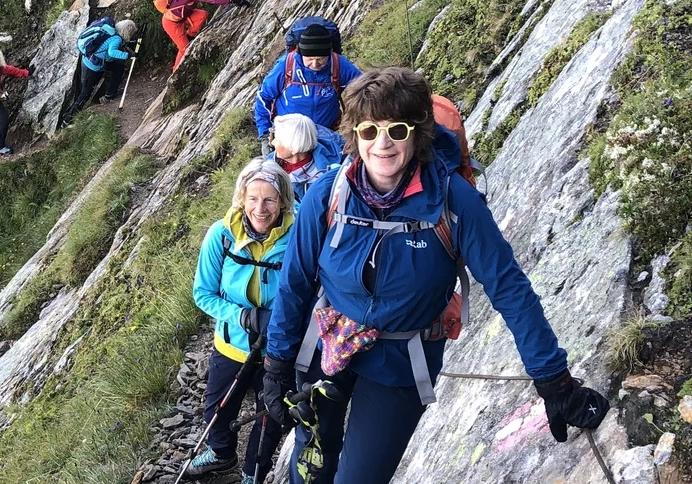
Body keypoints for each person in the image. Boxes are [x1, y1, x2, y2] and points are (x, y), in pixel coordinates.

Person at [260, 68, 609, 484]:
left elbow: (508, 287)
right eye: (369, 131)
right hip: (327, 345)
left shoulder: (454, 201)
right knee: (310, 466)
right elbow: (295, 282)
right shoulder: (328, 194)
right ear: (354, 135)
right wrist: (277, 363)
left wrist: (554, 379)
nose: (382, 143)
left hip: (400, 361)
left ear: (418, 132)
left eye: (398, 129)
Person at [186, 159, 294, 483]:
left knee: (268, 416)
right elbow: (202, 293)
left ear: (283, 200)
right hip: (232, 343)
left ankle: (253, 474)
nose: (260, 208)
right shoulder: (219, 237)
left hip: (276, 348)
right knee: (218, 407)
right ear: (241, 198)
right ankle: (221, 453)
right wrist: (244, 316)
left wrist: (283, 318)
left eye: (270, 199)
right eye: (253, 198)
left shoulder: (299, 236)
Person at [254, 24, 361, 135]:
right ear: (300, 53)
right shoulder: (286, 66)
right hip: (288, 136)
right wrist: (264, 133)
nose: (315, 64)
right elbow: (263, 97)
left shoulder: (338, 64)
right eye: (310, 59)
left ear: (329, 54)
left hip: (325, 135)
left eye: (321, 59)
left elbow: (364, 88)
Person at [161, 0, 250, 70]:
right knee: (184, 48)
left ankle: (190, 36)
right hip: (171, 23)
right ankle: (175, 70)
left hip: (183, 16)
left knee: (202, 15)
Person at [61, 18, 138, 126]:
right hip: (92, 68)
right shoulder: (116, 39)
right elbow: (112, 52)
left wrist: (129, 45)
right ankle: (68, 119)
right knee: (85, 94)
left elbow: (107, 46)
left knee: (118, 67)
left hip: (88, 61)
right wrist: (128, 55)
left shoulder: (111, 31)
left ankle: (110, 94)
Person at [269, 113, 344, 201]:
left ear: (294, 148)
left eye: (277, 140)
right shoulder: (271, 161)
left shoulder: (325, 174)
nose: (272, 142)